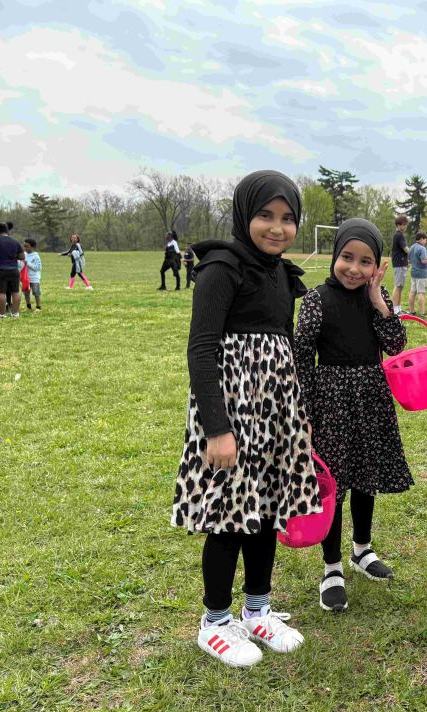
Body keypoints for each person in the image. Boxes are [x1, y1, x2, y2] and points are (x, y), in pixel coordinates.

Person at [172, 170, 319, 669]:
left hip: (275, 409)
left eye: (288, 218)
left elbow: (287, 347)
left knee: (267, 510)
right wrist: (217, 429)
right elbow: (201, 349)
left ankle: (257, 610)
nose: (277, 228)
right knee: (228, 516)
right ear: (243, 215)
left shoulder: (282, 274)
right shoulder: (222, 268)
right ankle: (214, 621)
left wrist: (298, 416)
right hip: (231, 413)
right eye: (265, 216)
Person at [294, 219, 413, 613]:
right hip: (330, 403)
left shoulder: (377, 298)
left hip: (371, 399)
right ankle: (332, 567)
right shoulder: (316, 299)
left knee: (366, 476)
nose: (354, 268)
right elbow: (301, 357)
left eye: (365, 261)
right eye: (347, 257)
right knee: (334, 483)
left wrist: (380, 302)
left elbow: (396, 345)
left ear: (376, 266)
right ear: (335, 255)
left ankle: (362, 549)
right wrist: (304, 410)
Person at [0, 221, 25, 319]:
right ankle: (15, 313)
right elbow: (22, 256)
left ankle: (2, 314)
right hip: (13, 269)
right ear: (8, 231)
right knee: (15, 291)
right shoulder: (15, 241)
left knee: (0, 292)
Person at [407, 231, 427, 317]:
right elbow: (423, 261)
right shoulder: (422, 248)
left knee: (412, 291)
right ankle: (422, 312)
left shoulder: (412, 247)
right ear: (421, 239)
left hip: (413, 272)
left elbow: (409, 260)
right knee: (421, 292)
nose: (425, 241)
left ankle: (412, 311)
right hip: (422, 273)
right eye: (425, 239)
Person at [391, 215, 410, 314]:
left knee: (400, 287)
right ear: (399, 224)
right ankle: (395, 309)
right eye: (404, 224)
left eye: (406, 224)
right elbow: (406, 249)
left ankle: (398, 308)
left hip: (401, 263)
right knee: (398, 286)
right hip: (399, 263)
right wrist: (413, 254)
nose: (405, 226)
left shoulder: (399, 234)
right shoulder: (399, 235)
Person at [23, 238, 42, 311]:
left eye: (27, 246)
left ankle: (38, 307)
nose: (25, 248)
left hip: (34, 278)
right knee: (26, 293)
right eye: (24, 246)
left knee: (36, 292)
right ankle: (28, 307)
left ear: (33, 247)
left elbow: (38, 268)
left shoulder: (36, 256)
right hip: (26, 278)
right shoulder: (24, 255)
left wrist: (28, 263)